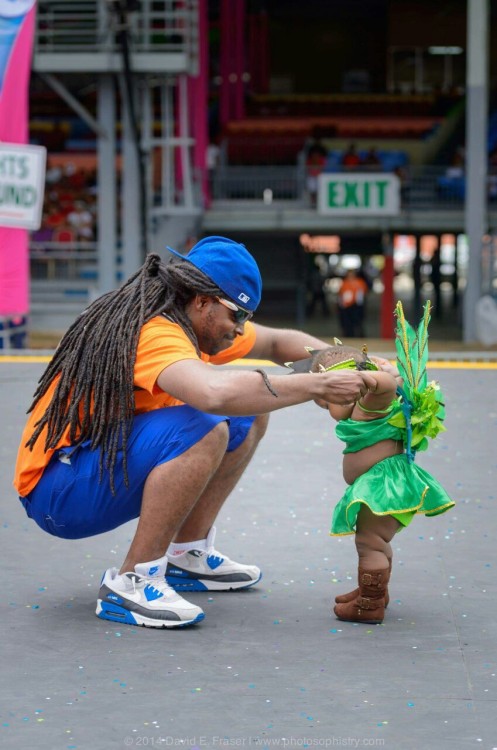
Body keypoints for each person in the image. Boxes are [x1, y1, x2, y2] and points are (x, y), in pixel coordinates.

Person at [13, 235, 377, 630]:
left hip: (85, 470)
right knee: (204, 425)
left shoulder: (193, 319)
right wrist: (317, 386)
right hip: (58, 493)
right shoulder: (155, 332)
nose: (241, 329)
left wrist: (354, 363)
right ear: (203, 300)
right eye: (237, 315)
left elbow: (277, 342)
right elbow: (214, 393)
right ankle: (133, 581)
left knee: (249, 415)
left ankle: (186, 555)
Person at [305, 302, 454, 625]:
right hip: (383, 484)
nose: (324, 406)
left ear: (348, 387)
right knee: (377, 542)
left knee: (369, 542)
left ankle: (369, 605)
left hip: (384, 486)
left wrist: (375, 376)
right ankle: (372, 590)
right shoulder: (360, 406)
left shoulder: (370, 404)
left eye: (326, 398)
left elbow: (387, 386)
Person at [336, 269, 369, 337]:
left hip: (356, 306)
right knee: (347, 322)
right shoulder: (344, 283)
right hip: (345, 306)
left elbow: (362, 293)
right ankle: (348, 335)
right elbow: (340, 294)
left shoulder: (360, 282)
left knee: (357, 322)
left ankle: (359, 335)